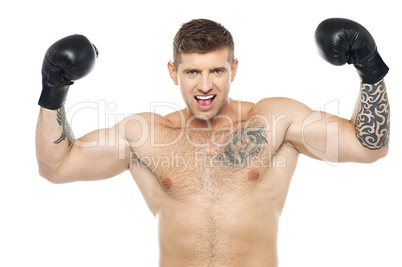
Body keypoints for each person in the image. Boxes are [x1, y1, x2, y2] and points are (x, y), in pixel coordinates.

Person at [36, 18, 390, 266]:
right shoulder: (145, 133)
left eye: (216, 71)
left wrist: (370, 69)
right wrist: (54, 92)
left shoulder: (274, 120)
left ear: (233, 69)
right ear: (174, 72)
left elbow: (369, 146)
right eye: (192, 72)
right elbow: (57, 166)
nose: (204, 86)